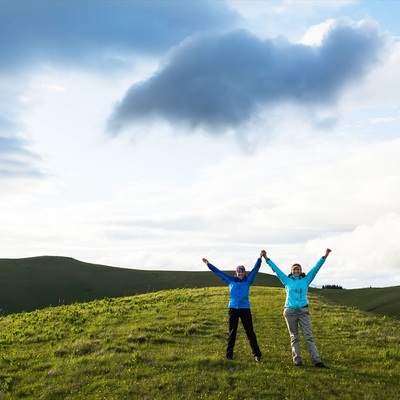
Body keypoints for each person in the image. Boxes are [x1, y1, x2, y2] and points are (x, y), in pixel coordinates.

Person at [261, 248, 332, 368]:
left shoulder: (306, 280)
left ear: (301, 271)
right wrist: (266, 259)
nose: (296, 271)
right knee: (294, 337)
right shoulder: (286, 280)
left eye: (298, 269)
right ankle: (297, 361)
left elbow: (316, 269)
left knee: (308, 336)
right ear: (291, 271)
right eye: (294, 269)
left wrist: (324, 256)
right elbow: (276, 270)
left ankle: (317, 361)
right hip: (290, 311)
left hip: (303, 310)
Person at [202, 252, 263, 362]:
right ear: (236, 272)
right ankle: (229, 355)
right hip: (233, 308)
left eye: (242, 272)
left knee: (250, 331)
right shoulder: (230, 280)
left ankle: (257, 354)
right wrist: (208, 264)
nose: (241, 273)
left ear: (244, 273)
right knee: (232, 331)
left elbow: (255, 269)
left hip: (245, 308)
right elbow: (218, 273)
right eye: (239, 271)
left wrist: (259, 258)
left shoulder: (248, 280)